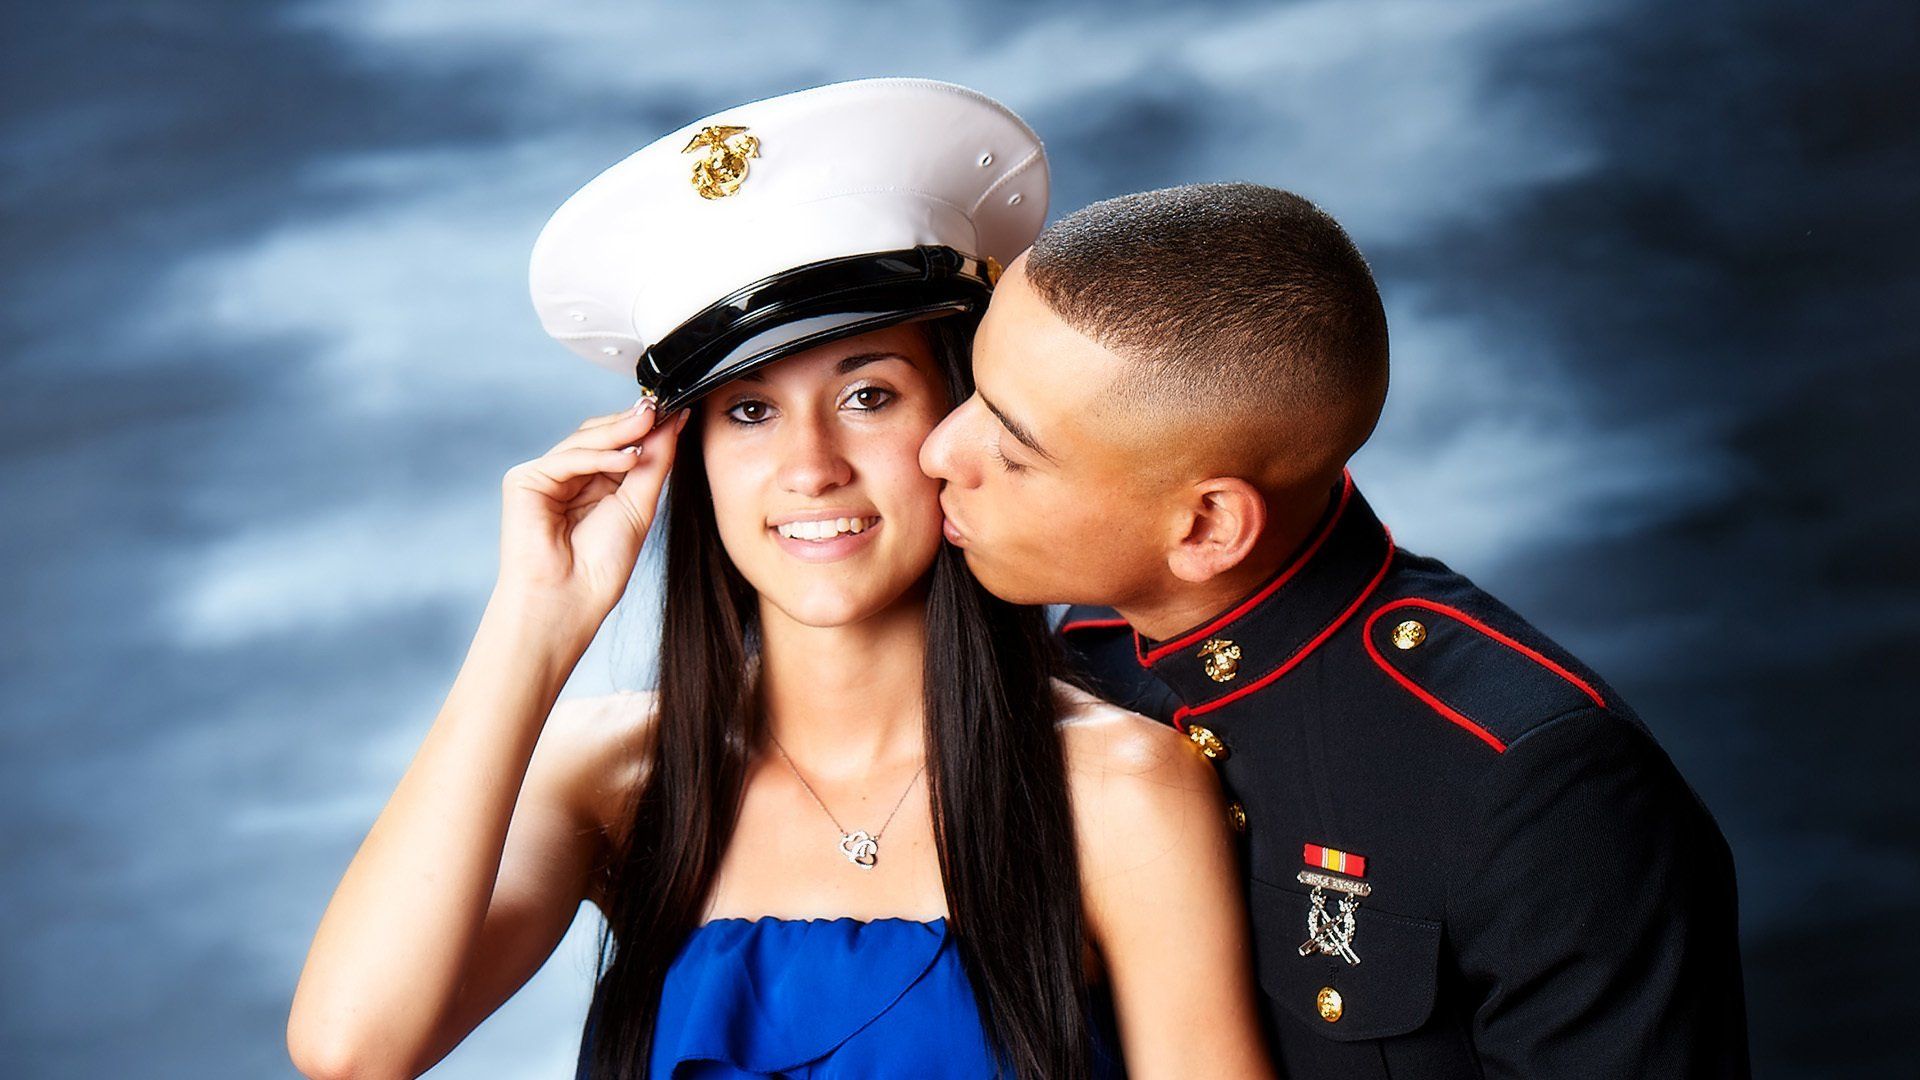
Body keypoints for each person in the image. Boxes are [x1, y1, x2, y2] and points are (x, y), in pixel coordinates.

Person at [286, 81, 1275, 1080]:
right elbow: (353, 1050)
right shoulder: (620, 778)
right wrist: (534, 619)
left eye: (867, 394)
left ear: (956, 418)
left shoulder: (1116, 790)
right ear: (687, 454)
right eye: (749, 412)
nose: (810, 466)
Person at [920, 182, 1752, 1079]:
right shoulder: (1093, 660)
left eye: (1009, 451)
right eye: (974, 386)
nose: (937, 451)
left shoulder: (1535, 781)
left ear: (1205, 528)